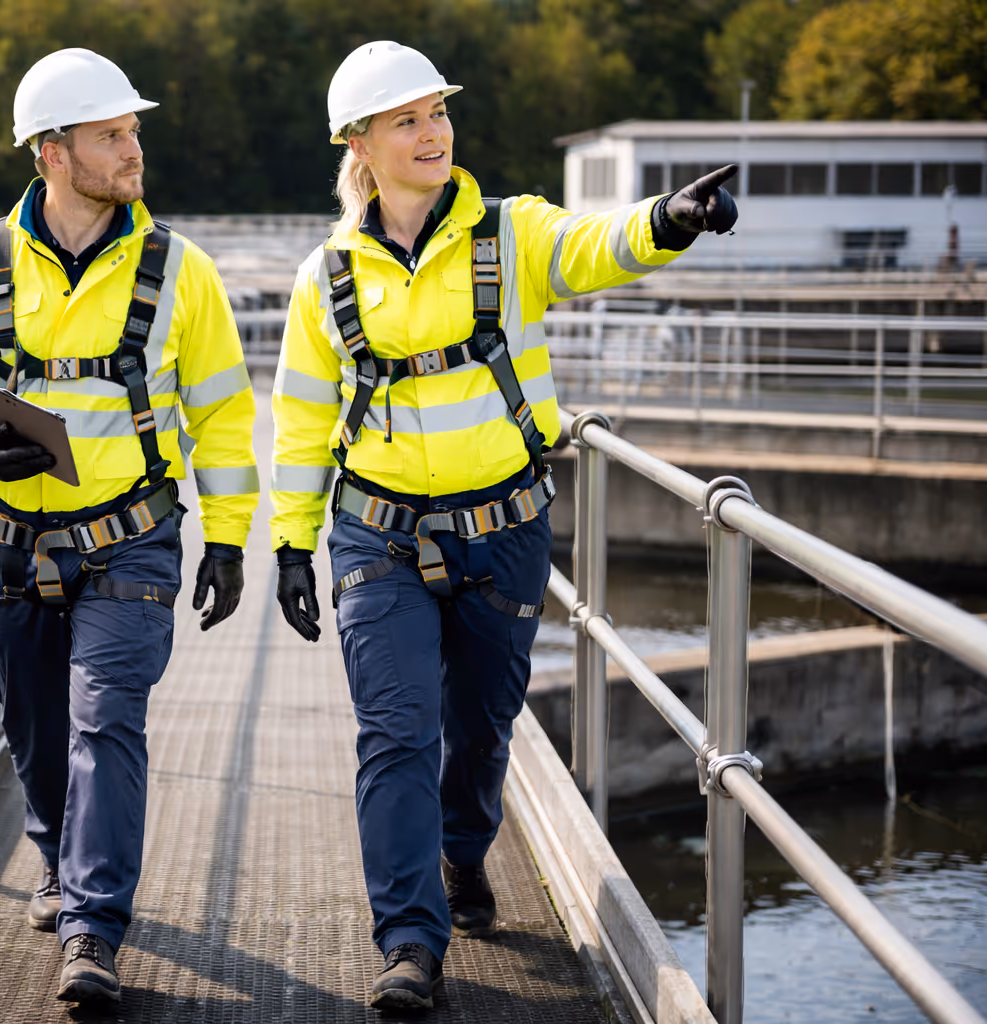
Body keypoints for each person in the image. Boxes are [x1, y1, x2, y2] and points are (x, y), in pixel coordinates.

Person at [268, 40, 737, 1013]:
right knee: (397, 731)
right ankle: (407, 940)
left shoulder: (512, 235)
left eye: (438, 112)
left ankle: (465, 849)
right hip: (376, 538)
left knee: (480, 727)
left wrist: (668, 219)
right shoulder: (325, 277)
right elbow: (304, 416)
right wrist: (287, 542)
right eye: (408, 119)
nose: (433, 131)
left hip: (505, 531)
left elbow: (596, 244)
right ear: (360, 142)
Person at [0, 47, 259, 1006]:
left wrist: (227, 536)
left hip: (132, 540)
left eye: (133, 131)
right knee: (35, 727)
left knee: (107, 723)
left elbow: (221, 412)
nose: (133, 149)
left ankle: (93, 928)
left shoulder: (183, 271)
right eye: (111, 135)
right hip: (3, 543)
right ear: (52, 154)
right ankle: (56, 857)